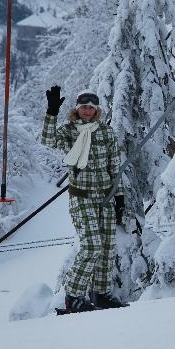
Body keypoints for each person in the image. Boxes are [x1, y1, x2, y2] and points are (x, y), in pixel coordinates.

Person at [41, 86, 126, 312]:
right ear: (77, 109)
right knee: (91, 246)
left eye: (91, 107)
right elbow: (47, 140)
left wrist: (119, 198)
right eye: (84, 107)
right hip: (82, 198)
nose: (88, 111)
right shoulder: (69, 131)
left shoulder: (106, 132)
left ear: (96, 110)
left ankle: (101, 294)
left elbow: (115, 167)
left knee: (107, 248)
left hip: (106, 198)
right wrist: (51, 112)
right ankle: (72, 297)